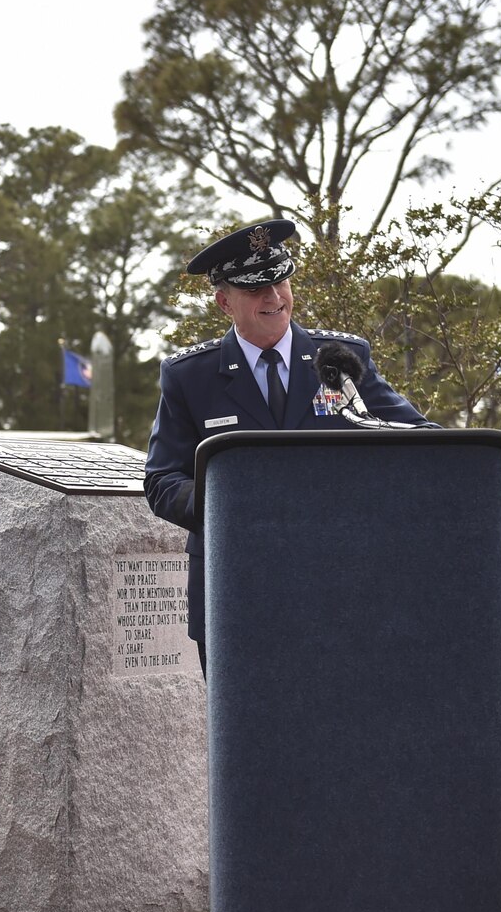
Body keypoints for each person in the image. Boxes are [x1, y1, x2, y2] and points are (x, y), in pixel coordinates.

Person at [142, 219, 433, 665]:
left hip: (346, 585)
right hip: (236, 589)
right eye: (257, 289)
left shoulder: (341, 359)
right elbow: (163, 481)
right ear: (224, 302)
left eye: (280, 282)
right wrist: (233, 502)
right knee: (246, 733)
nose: (274, 298)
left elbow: (420, 439)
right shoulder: (189, 377)